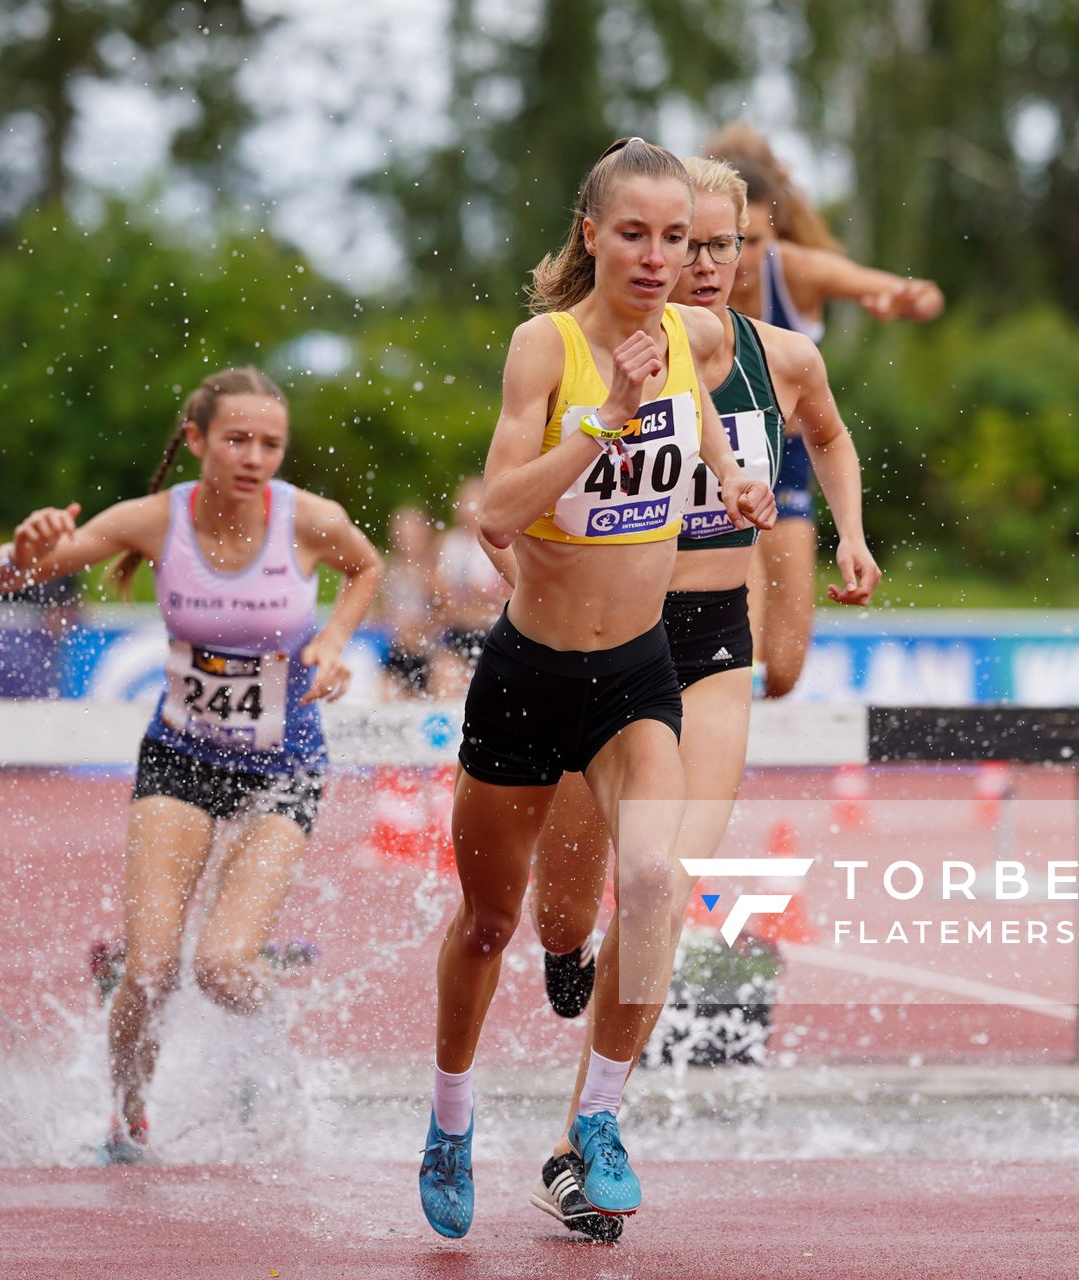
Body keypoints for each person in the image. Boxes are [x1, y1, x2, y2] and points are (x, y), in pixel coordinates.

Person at [418, 137, 775, 1240]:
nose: (662, 256)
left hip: (637, 674)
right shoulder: (546, 347)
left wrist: (736, 484)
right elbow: (496, 511)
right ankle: (450, 1114)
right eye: (638, 233)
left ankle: (600, 1120)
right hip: (529, 677)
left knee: (661, 880)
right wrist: (605, 425)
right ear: (592, 234)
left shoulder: (681, 338)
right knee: (491, 921)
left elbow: (708, 431)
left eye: (678, 237)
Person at [525, 155, 880, 1240]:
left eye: (729, 247)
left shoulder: (785, 358)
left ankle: (581, 1136)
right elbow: (519, 496)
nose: (708, 265)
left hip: (712, 647)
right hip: (605, 643)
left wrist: (851, 533)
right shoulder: (598, 359)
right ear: (656, 247)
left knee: (664, 895)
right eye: (689, 244)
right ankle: (559, 946)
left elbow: (826, 432)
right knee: (567, 907)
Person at [0, 367, 383, 1164]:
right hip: (181, 755)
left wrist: (334, 641)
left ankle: (259, 1044)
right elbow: (14, 576)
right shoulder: (152, 520)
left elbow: (367, 568)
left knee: (224, 969)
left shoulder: (308, 519)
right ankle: (128, 1119)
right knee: (154, 970)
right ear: (197, 440)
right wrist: (18, 551)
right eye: (237, 439)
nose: (255, 457)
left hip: (284, 764)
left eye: (271, 443)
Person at [706, 123, 942, 698]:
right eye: (721, 241)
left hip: (784, 462)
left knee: (783, 671)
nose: (735, 263)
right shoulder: (683, 279)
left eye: (753, 243)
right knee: (738, 651)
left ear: (773, 234)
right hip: (707, 466)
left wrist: (898, 300)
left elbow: (924, 294)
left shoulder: (794, 271)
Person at [430, 477, 511, 697]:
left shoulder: (500, 542)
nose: (469, 510)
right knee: (444, 678)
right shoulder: (449, 543)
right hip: (458, 629)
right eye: (465, 504)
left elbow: (507, 590)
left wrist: (469, 595)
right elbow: (438, 594)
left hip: (492, 631)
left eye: (474, 503)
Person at [379, 505, 439, 699]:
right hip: (399, 651)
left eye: (412, 535)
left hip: (428, 652)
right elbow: (384, 612)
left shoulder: (432, 571)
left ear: (424, 535)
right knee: (386, 695)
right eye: (403, 535)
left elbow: (445, 614)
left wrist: (421, 627)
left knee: (438, 689)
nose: (407, 541)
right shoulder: (391, 569)